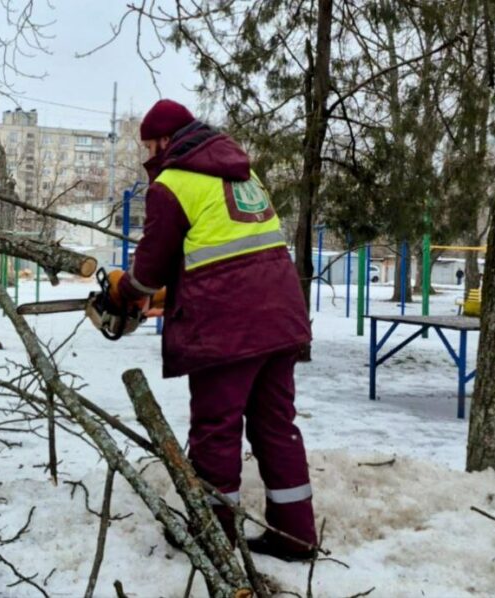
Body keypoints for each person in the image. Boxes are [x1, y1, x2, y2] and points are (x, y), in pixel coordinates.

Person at [108, 99, 317, 561]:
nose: (149, 156)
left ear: (164, 141)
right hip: (279, 317)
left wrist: (130, 290)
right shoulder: (242, 172)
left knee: (215, 429)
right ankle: (296, 536)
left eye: (149, 146)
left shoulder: (173, 183)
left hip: (227, 327)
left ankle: (214, 535)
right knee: (276, 426)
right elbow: (226, 250)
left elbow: (151, 266)